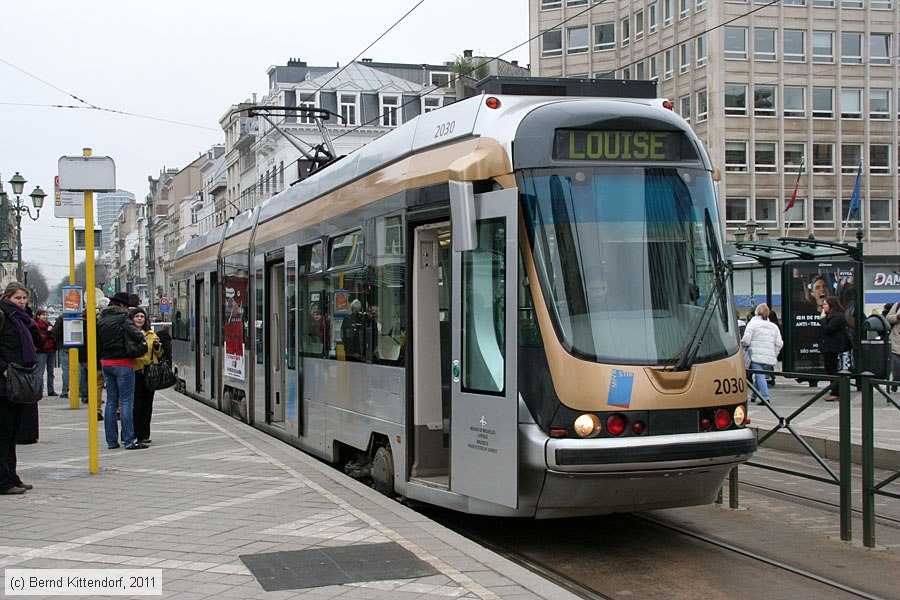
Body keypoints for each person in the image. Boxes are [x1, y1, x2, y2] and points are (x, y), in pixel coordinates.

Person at [0, 282, 42, 494]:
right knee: (4, 433)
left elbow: (38, 342)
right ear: (7, 298)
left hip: (20, 379)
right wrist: (4, 369)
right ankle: (3, 481)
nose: (22, 302)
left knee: (14, 432)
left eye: (24, 298)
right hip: (5, 381)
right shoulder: (3, 316)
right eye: (17, 298)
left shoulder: (22, 319)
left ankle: (12, 476)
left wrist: (31, 322)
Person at [97, 291, 148, 450]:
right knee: (126, 402)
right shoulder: (122, 317)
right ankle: (129, 440)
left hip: (106, 363)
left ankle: (111, 441)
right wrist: (141, 337)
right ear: (122, 305)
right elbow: (137, 335)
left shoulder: (101, 319)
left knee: (111, 402)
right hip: (123, 363)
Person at [131, 308, 163, 445]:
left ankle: (144, 434)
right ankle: (134, 433)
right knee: (135, 404)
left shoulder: (151, 334)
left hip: (149, 373)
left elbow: (159, 354)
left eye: (142, 317)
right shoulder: (129, 334)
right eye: (137, 316)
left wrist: (157, 347)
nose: (139, 319)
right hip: (135, 372)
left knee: (147, 404)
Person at [741, 303, 783, 404]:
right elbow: (779, 343)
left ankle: (765, 397)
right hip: (768, 355)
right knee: (760, 375)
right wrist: (774, 353)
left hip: (755, 354)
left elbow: (746, 340)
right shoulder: (773, 326)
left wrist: (742, 345)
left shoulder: (752, 324)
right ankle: (754, 396)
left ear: (756, 312)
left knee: (759, 375)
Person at [819, 295, 848, 402]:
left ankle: (836, 392)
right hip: (827, 346)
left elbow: (828, 329)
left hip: (833, 347)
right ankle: (834, 391)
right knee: (829, 369)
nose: (823, 306)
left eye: (825, 304)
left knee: (833, 370)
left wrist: (822, 319)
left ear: (831, 305)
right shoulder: (830, 316)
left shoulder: (838, 316)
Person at [33, 309, 58, 396]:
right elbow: (41, 338)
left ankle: (51, 390)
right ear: (38, 316)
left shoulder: (49, 325)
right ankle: (39, 390)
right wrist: (48, 331)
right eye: (43, 315)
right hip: (41, 351)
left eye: (46, 315)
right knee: (40, 372)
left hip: (51, 349)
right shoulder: (36, 326)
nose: (45, 317)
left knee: (51, 371)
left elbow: (54, 335)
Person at [51, 314, 70, 398]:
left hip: (63, 345)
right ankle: (81, 391)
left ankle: (65, 391)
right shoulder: (80, 316)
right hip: (78, 346)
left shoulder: (62, 318)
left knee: (66, 370)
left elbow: (55, 332)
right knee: (79, 370)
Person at [885, 301, 900, 393]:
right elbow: (888, 318)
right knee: (897, 364)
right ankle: (895, 381)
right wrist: (897, 317)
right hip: (897, 339)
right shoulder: (898, 305)